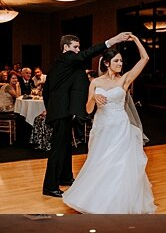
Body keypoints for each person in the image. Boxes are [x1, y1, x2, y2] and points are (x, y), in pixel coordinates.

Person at [62, 35, 156, 214]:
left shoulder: (125, 79)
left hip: (121, 127)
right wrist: (94, 99)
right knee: (100, 162)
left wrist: (136, 40)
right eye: (116, 61)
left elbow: (145, 59)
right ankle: (96, 200)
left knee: (120, 165)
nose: (120, 64)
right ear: (106, 63)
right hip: (102, 127)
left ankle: (118, 202)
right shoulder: (95, 82)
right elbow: (88, 111)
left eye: (121, 61)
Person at [42, 31, 131, 198]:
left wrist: (52, 108)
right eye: (75, 47)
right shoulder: (66, 58)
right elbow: (87, 54)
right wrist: (114, 40)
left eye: (78, 47)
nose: (77, 51)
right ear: (66, 48)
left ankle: (65, 177)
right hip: (61, 113)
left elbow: (47, 91)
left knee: (66, 146)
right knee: (58, 149)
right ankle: (49, 186)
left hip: (63, 111)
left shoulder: (61, 65)